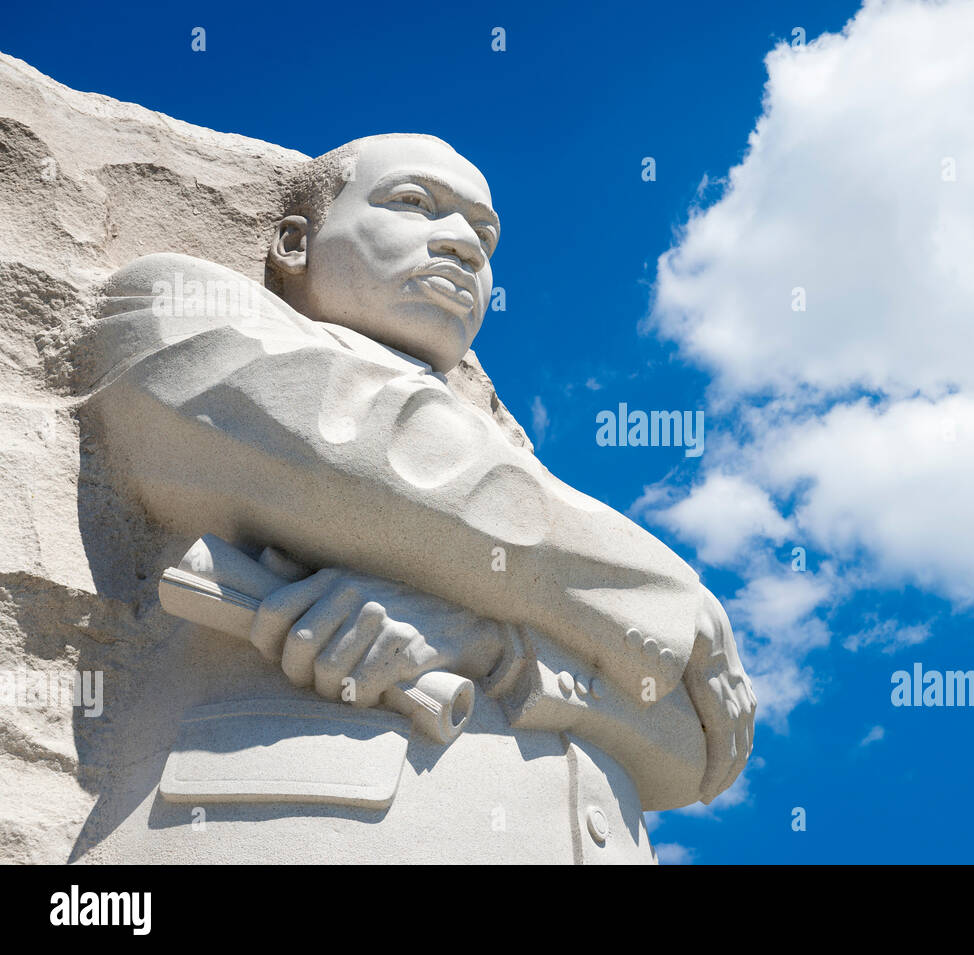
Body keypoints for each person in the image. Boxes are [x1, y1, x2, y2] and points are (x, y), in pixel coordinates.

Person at [75, 134, 754, 863]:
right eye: (415, 204)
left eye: (485, 235)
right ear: (295, 242)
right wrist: (672, 594)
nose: (465, 245)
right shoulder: (178, 307)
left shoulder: (537, 486)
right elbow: (387, 465)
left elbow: (702, 747)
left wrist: (490, 644)